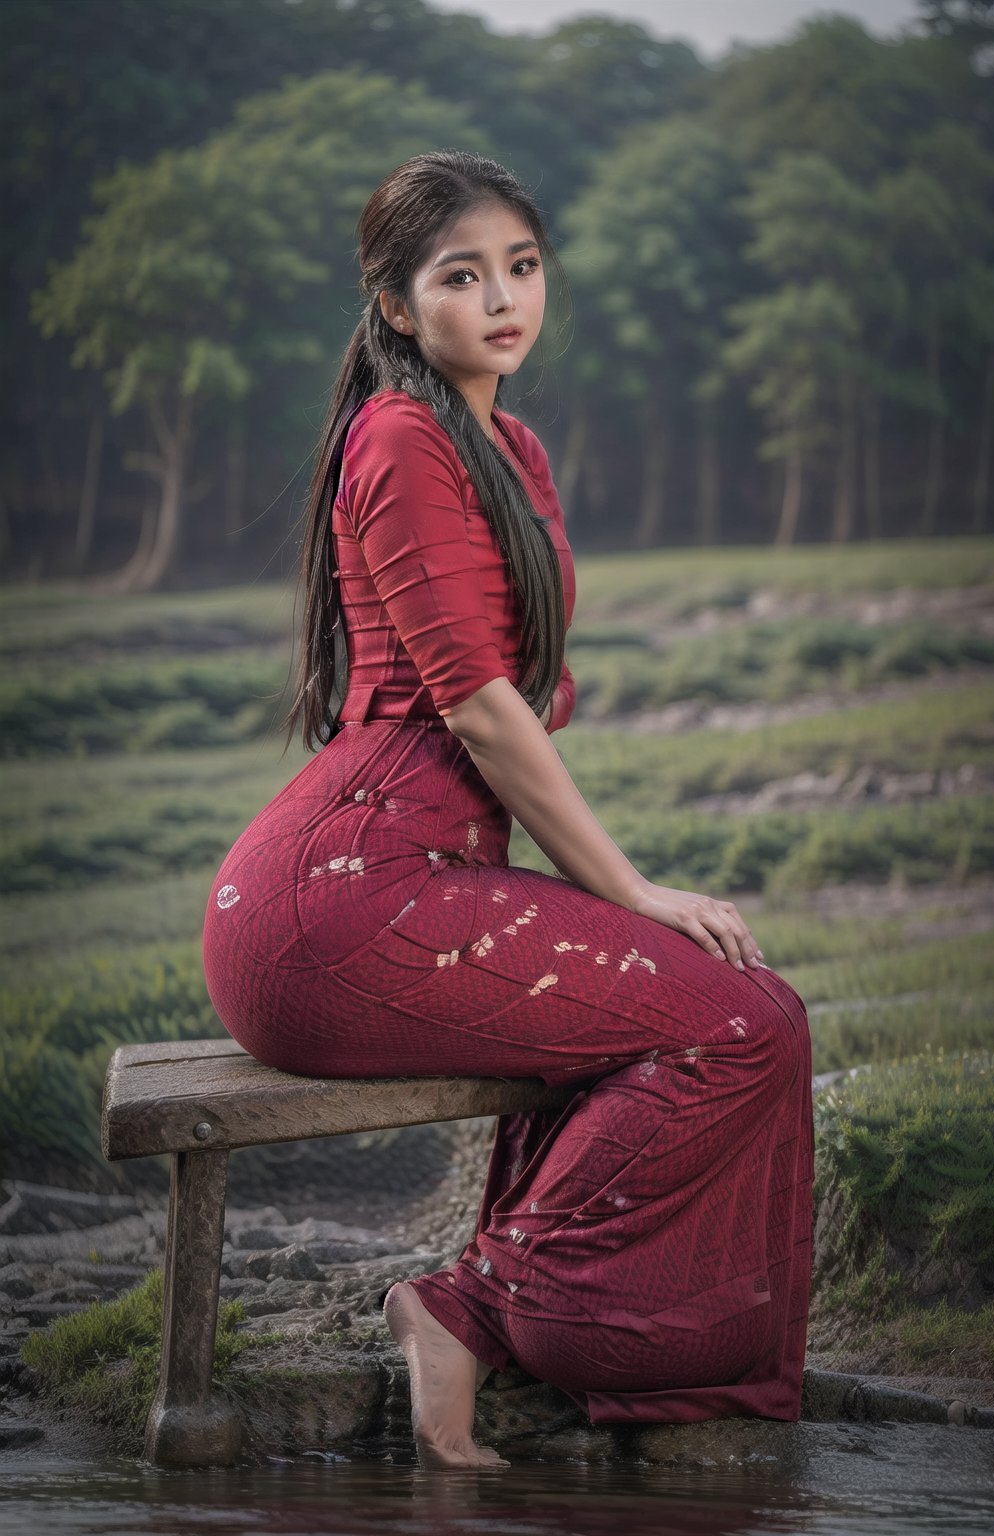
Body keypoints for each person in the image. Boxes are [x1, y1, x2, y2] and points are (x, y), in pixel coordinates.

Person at [203, 150, 813, 1470]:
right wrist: (631, 891)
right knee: (742, 1027)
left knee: (737, 1013)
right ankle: (473, 1306)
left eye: (522, 268)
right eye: (461, 276)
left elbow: (502, 709)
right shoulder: (404, 436)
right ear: (397, 302)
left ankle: (473, 1308)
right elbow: (483, 710)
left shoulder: (506, 443)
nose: (501, 299)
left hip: (415, 878)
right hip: (341, 904)